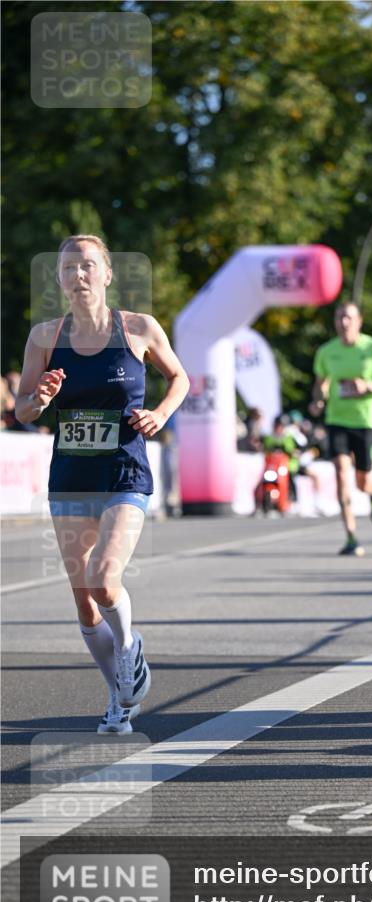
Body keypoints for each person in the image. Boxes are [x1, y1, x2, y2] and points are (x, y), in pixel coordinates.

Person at [15, 234, 189, 733]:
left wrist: (160, 412)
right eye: (69, 268)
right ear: (59, 279)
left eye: (88, 265)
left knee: (104, 578)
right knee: (82, 598)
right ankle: (118, 696)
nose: (79, 274)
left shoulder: (137, 328)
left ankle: (129, 650)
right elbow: (23, 410)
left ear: (108, 274)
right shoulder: (44, 337)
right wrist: (41, 399)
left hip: (123, 471)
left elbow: (180, 379)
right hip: (71, 474)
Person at [310, 301, 372, 555]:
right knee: (340, 474)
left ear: (359, 321)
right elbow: (321, 383)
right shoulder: (327, 351)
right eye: (339, 318)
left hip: (366, 421)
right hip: (337, 419)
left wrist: (368, 387)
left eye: (348, 317)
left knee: (362, 482)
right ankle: (351, 536)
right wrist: (317, 400)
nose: (344, 322)